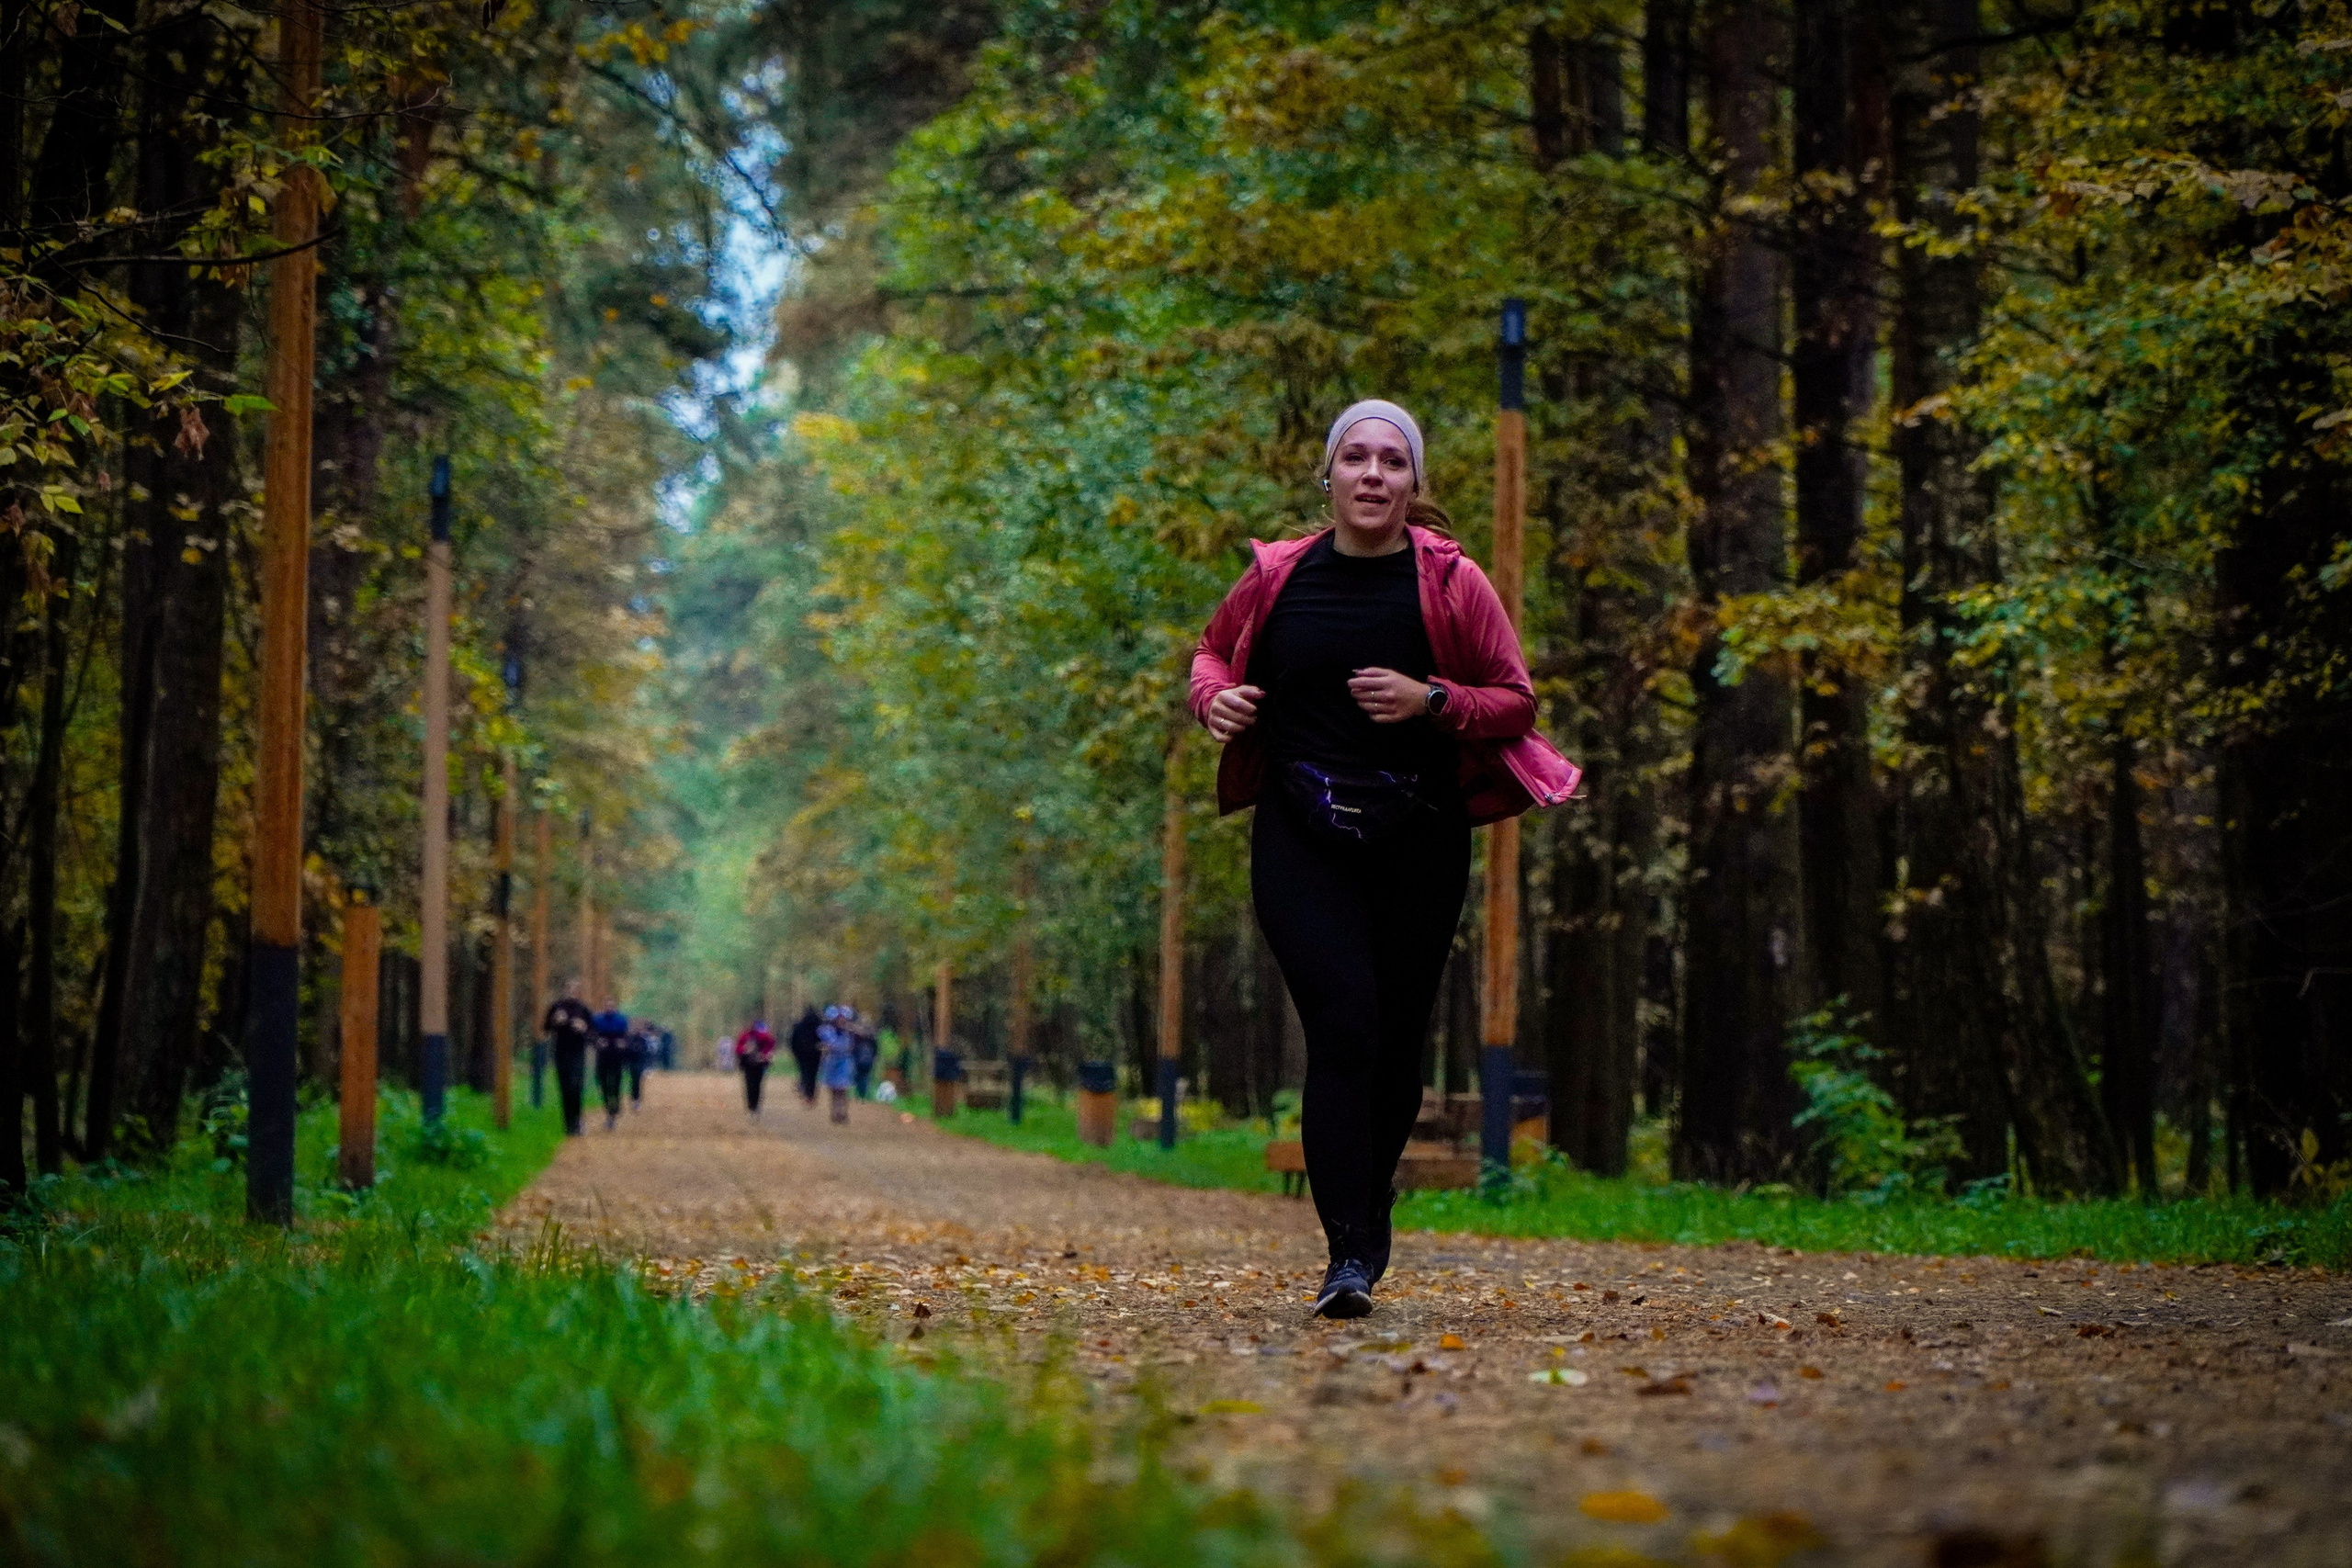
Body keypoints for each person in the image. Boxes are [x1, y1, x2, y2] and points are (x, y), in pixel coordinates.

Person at [1191, 399, 1579, 1320]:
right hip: (1300, 832)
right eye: (1355, 458)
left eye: (1391, 461)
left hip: (1417, 834)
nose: (1372, 474)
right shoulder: (1278, 577)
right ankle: (1346, 1255)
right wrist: (1214, 703)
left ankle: (1372, 1212)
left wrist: (1431, 699)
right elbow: (1210, 654)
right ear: (1326, 477)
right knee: (1345, 1025)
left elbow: (1514, 702)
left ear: (1413, 483)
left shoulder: (1451, 582)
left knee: (1398, 1047)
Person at [541, 981, 596, 1136]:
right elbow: (545, 1028)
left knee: (576, 1087)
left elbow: (593, 1034)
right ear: (565, 990)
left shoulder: (583, 1009)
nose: (572, 992)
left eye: (575, 989)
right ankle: (568, 1125)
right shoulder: (556, 1007)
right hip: (560, 1053)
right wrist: (555, 1021)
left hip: (578, 1053)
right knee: (564, 1089)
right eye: (569, 989)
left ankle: (577, 1119)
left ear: (578, 992)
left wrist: (584, 1028)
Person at [591, 999, 631, 1131]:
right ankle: (609, 1105)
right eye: (607, 1005)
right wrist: (598, 1042)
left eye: (611, 1006)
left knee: (616, 1083)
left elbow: (627, 1038)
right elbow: (591, 1036)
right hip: (602, 1057)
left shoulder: (621, 1020)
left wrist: (623, 1044)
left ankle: (615, 1106)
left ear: (615, 1007)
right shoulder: (598, 1020)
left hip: (617, 1057)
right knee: (603, 1083)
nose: (609, 1008)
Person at [818, 1008, 854, 1124]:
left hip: (844, 1062)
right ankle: (835, 1113)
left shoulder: (849, 1031)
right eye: (839, 1019)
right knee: (834, 1090)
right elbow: (829, 1042)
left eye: (843, 1019)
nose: (841, 1021)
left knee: (843, 1090)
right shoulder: (827, 1031)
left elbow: (845, 1045)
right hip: (832, 1062)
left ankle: (843, 1112)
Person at [734, 1018, 777, 1115]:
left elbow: (770, 1046)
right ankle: (752, 1107)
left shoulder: (762, 1036)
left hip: (758, 1065)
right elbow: (737, 1048)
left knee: (755, 1086)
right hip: (749, 1065)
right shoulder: (745, 1036)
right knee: (751, 1085)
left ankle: (754, 1107)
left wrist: (765, 1055)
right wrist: (745, 1049)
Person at [786, 1006, 822, 1106]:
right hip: (815, 1053)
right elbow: (822, 1039)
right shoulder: (818, 1026)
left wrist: (794, 1052)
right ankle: (810, 1095)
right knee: (813, 1075)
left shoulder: (799, 1026)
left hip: (801, 1054)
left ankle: (805, 1091)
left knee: (804, 1072)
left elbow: (792, 1040)